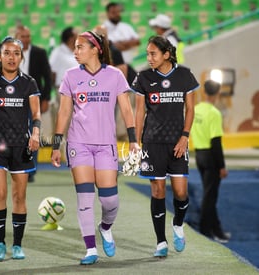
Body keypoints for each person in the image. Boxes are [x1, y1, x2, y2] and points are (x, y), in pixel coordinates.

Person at [51, 30, 139, 265]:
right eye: (75, 47)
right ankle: (90, 249)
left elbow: (127, 109)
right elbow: (64, 111)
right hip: (78, 144)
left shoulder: (115, 75)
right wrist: (56, 144)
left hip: (105, 145)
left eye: (80, 47)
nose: (75, 51)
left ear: (95, 50)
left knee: (109, 200)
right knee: (85, 198)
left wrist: (133, 141)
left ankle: (105, 227)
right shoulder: (70, 76)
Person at [132, 35, 199, 258]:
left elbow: (190, 109)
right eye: (147, 53)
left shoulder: (185, 75)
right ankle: (161, 242)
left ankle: (178, 224)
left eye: (153, 54)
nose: (149, 58)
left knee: (181, 192)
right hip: (152, 142)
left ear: (166, 54)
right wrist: (136, 140)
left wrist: (185, 137)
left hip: (177, 142)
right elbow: (139, 110)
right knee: (157, 190)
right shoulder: (143, 77)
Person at [0, 36, 41, 262]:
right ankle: (0, 243)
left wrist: (36, 133)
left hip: (21, 147)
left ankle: (17, 245)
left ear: (21, 57)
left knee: (19, 196)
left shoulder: (29, 83)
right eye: (7, 53)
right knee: (0, 193)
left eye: (16, 53)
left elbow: (36, 115)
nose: (12, 57)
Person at [191, 79, 230, 243]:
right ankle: (206, 230)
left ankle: (216, 229)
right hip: (211, 158)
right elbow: (216, 143)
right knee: (210, 196)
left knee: (209, 194)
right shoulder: (214, 113)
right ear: (217, 93)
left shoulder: (196, 110)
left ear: (204, 92)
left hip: (199, 155)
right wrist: (221, 166)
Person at [15, 25, 52, 182]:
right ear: (17, 37)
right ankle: (16, 167)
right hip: (12, 100)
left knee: (32, 134)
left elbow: (47, 77)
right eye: (23, 36)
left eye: (28, 36)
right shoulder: (9, 53)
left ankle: (30, 170)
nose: (26, 39)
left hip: (33, 100)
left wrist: (45, 99)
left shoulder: (39, 53)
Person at [102, 2, 140, 85]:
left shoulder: (126, 26)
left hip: (128, 66)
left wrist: (120, 44)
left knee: (136, 89)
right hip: (112, 68)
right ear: (108, 14)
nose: (117, 14)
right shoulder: (103, 29)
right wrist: (128, 44)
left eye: (118, 12)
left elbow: (137, 41)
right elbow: (109, 47)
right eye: (113, 12)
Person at [49, 26, 79, 91]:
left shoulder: (79, 52)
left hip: (78, 89)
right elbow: (52, 72)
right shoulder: (57, 52)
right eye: (77, 37)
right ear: (71, 39)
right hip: (63, 89)